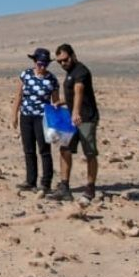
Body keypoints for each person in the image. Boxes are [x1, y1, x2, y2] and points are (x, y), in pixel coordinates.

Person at [51, 43, 100, 202]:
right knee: (65, 149)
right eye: (59, 62)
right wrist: (63, 102)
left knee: (90, 153)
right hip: (72, 118)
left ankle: (90, 188)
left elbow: (79, 90)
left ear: (72, 55)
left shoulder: (81, 71)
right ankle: (64, 187)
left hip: (85, 118)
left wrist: (76, 112)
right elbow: (73, 95)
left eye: (65, 60)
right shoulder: (70, 73)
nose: (63, 64)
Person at [10, 47, 60, 193]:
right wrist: (14, 114)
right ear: (34, 62)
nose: (42, 67)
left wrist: (55, 124)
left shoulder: (52, 79)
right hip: (26, 116)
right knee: (29, 150)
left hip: (42, 117)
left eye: (45, 64)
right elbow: (18, 95)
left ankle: (46, 183)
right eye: (39, 63)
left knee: (44, 150)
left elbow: (55, 102)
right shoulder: (25, 75)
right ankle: (30, 181)